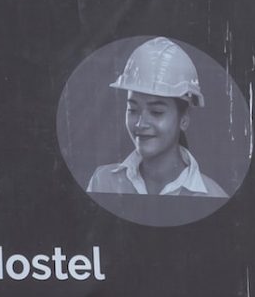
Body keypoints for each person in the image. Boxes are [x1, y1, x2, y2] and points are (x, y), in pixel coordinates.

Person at [86, 38, 226, 198]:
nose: (140, 123)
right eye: (132, 109)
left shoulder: (213, 197)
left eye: (156, 112)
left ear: (184, 119)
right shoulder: (103, 183)